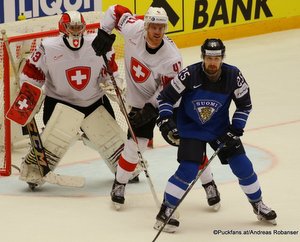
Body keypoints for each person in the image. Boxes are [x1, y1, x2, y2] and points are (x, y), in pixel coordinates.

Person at [92, 4, 221, 210]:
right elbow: (115, 10)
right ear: (146, 26)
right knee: (134, 148)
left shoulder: (171, 58)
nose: (157, 32)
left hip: (172, 104)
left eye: (161, 28)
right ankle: (119, 184)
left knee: (190, 145)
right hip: (138, 102)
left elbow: (168, 92)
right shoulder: (133, 28)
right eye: (154, 27)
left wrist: (151, 110)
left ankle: (209, 183)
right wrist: (104, 31)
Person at [154, 38, 277, 232]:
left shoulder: (233, 76)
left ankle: (258, 204)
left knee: (243, 165)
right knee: (188, 170)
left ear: (222, 58)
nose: (213, 62)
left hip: (220, 129)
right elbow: (165, 98)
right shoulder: (189, 75)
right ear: (203, 57)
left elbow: (245, 105)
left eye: (217, 58)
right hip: (191, 128)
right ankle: (166, 210)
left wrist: (235, 128)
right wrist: (166, 120)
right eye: (209, 58)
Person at [14, 10, 127, 188]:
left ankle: (126, 170)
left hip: (94, 100)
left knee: (112, 141)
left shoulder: (97, 44)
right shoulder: (48, 47)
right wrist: (31, 93)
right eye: (71, 27)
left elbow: (110, 70)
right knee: (52, 142)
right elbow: (31, 74)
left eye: (78, 27)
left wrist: (113, 83)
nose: (75, 31)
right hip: (60, 102)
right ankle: (34, 172)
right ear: (62, 28)